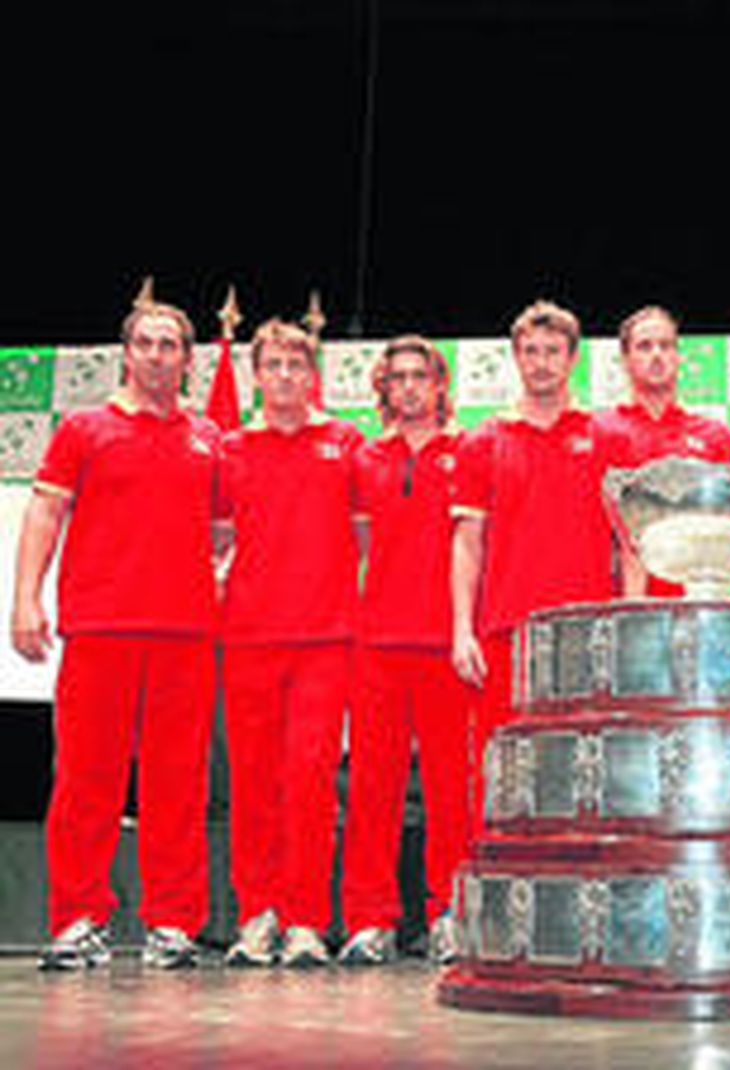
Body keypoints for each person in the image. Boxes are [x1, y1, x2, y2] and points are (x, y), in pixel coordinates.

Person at [12, 300, 223, 970]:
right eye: (145, 343)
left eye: (170, 346)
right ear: (125, 353)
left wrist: (220, 572)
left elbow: (227, 530)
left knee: (178, 787)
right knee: (85, 782)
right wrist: (25, 600)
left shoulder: (210, 438)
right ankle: (77, 919)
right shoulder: (83, 428)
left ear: (189, 361)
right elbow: (45, 515)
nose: (157, 355)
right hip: (99, 630)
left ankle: (173, 925)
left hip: (186, 636)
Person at [216, 319, 364, 968]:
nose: (283, 376)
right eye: (272, 365)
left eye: (294, 366)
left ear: (312, 374)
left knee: (310, 778)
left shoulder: (346, 443)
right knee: (252, 782)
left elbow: (365, 541)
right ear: (257, 374)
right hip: (248, 636)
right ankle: (257, 915)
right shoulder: (228, 448)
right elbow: (216, 543)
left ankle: (306, 918)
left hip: (327, 638)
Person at [451, 301, 626, 824]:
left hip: (585, 633)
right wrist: (463, 629)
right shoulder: (483, 440)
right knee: (501, 769)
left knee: (584, 770)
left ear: (573, 358)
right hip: (507, 634)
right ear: (515, 358)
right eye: (530, 351)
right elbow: (466, 543)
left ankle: (579, 890)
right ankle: (503, 886)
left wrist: (625, 619)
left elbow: (630, 542)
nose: (541, 362)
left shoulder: (608, 437)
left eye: (552, 351)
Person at [338, 336, 470, 966]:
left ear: (440, 385)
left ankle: (450, 912)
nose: (411, 387)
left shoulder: (466, 451)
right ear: (383, 388)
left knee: (452, 790)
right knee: (372, 789)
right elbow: (362, 546)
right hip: (378, 647)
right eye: (399, 378)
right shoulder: (364, 459)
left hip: (447, 646)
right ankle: (370, 918)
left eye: (422, 376)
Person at [597, 305, 730, 597]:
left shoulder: (715, 436)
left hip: (697, 603)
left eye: (666, 345)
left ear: (678, 356)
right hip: (620, 606)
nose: (657, 355)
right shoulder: (598, 431)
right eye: (644, 347)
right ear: (625, 360)